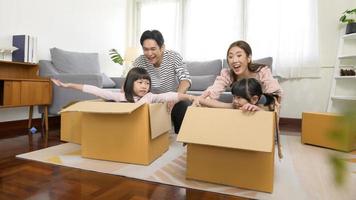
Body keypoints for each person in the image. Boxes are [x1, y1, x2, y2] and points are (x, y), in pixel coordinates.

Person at [133, 30, 191, 133]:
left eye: (153, 49)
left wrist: (175, 97)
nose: (149, 53)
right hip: (151, 100)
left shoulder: (174, 57)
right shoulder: (139, 61)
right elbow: (130, 82)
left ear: (162, 47)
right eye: (145, 49)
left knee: (184, 105)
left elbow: (185, 80)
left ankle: (181, 136)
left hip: (172, 98)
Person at [51, 67, 197, 104]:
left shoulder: (150, 97)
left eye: (147, 83)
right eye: (140, 82)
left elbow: (169, 95)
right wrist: (68, 85)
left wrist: (189, 97)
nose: (144, 86)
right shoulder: (119, 96)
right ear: (130, 84)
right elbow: (94, 89)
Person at [201, 40, 283, 103]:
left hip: (260, 106)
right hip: (239, 107)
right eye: (230, 57)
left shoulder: (262, 71)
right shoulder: (227, 74)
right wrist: (204, 99)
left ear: (249, 58)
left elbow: (276, 93)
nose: (234, 60)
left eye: (239, 55)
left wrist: (263, 107)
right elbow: (213, 91)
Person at [197, 78, 279, 112]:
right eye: (234, 97)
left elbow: (269, 118)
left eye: (239, 98)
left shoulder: (259, 108)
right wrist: (200, 99)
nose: (235, 101)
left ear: (254, 99)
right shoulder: (235, 106)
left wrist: (258, 111)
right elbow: (217, 104)